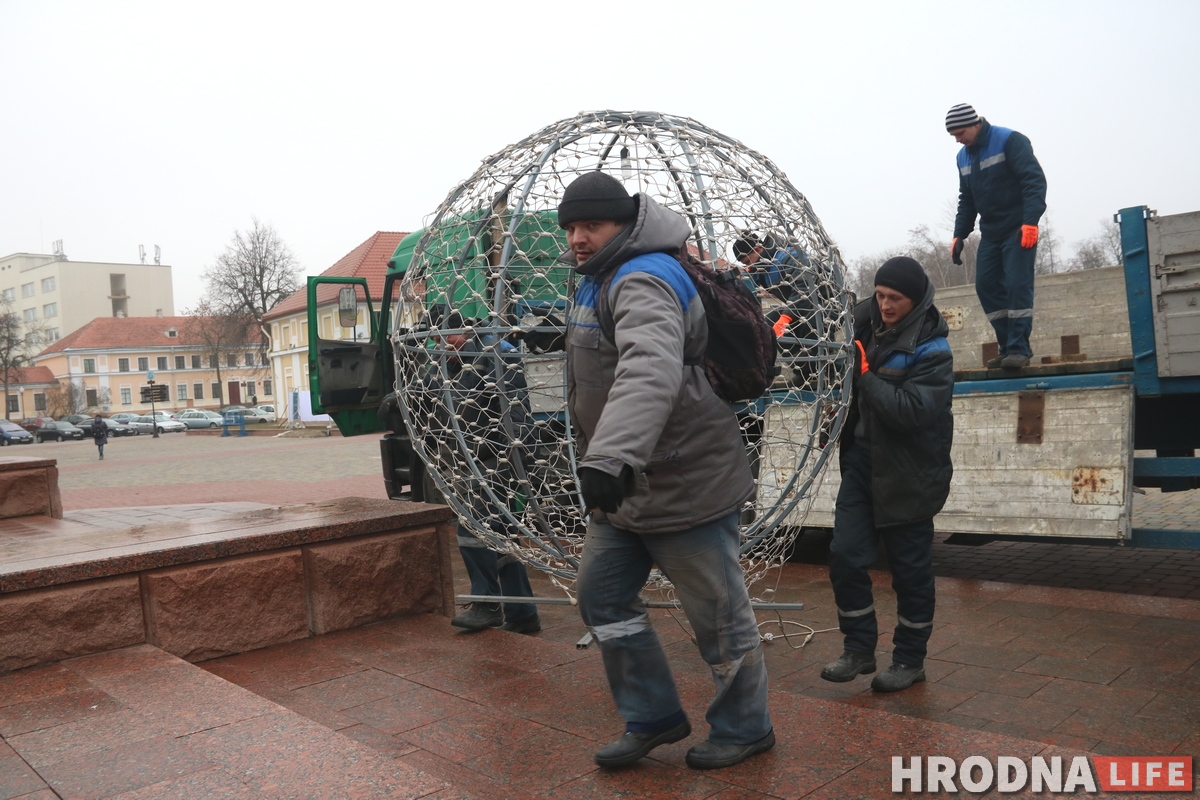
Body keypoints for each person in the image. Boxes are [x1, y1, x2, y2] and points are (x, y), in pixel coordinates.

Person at [560, 172, 773, 770]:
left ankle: (745, 727)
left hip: (684, 482)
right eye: (571, 227)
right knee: (602, 599)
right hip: (627, 488)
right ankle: (652, 714)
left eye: (590, 225)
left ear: (622, 224)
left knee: (719, 619)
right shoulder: (598, 275)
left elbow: (648, 368)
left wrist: (609, 455)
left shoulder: (644, 277)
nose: (578, 237)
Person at [821, 256, 954, 692]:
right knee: (844, 555)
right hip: (862, 463)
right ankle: (858, 649)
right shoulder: (861, 326)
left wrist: (865, 379)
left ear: (913, 299)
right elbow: (841, 380)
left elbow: (912, 412)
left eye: (894, 298)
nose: (885, 305)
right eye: (879, 296)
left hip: (910, 473)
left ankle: (909, 660)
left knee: (910, 572)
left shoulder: (933, 348)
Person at [437, 318, 542, 635]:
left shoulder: (491, 353)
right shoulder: (468, 358)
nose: (441, 347)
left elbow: (514, 408)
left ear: (460, 332)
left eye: (444, 338)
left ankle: (487, 604)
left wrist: (518, 458)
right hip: (485, 458)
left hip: (494, 459)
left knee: (474, 529)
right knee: (502, 537)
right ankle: (522, 612)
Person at [946, 103, 1047, 369]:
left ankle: (1019, 349)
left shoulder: (1009, 140)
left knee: (1016, 284)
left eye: (960, 132)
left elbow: (1033, 181)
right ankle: (1007, 346)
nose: (957, 139)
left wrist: (1030, 222)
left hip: (1018, 228)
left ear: (975, 124)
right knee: (986, 286)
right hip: (991, 232)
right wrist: (959, 234)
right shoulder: (962, 157)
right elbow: (966, 199)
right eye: (952, 135)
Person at [731, 231, 809, 304]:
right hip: (793, 307)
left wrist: (787, 316)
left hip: (811, 304)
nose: (749, 266)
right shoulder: (762, 269)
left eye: (748, 261)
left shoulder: (789, 257)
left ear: (757, 249)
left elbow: (804, 288)